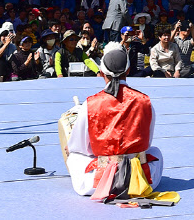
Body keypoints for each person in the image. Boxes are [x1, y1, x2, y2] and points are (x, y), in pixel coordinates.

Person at [64, 43, 174, 204]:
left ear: (101, 72)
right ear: (128, 70)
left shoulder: (91, 103)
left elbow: (79, 147)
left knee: (74, 154)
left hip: (98, 184)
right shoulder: (145, 101)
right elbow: (146, 143)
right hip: (140, 180)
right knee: (155, 151)